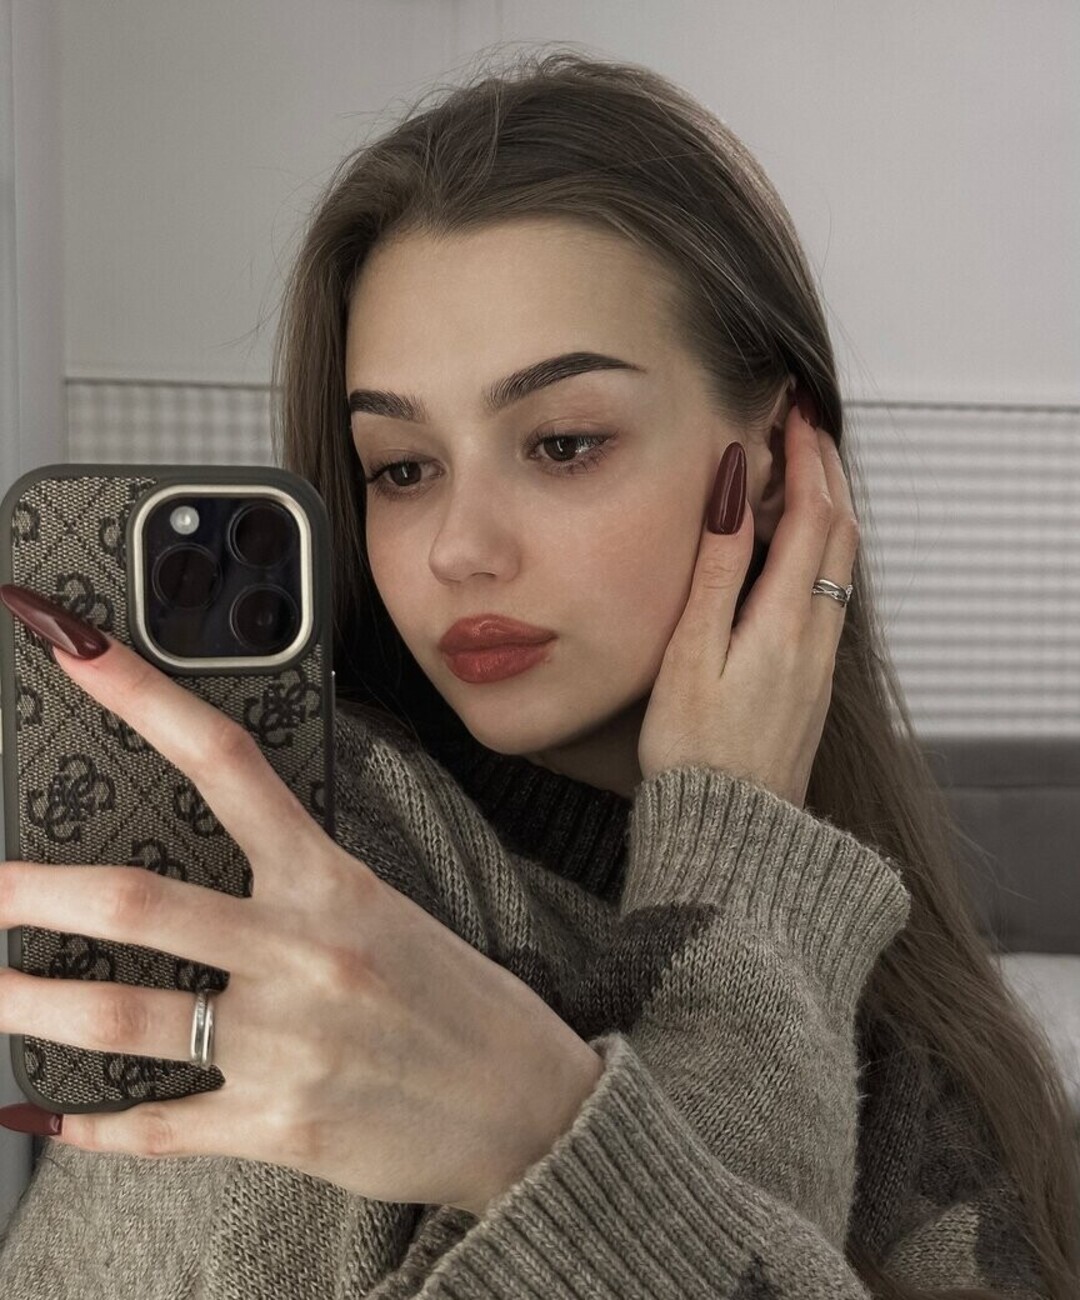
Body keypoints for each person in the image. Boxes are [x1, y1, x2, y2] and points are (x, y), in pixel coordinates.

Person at [1, 44, 1077, 1300]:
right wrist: (739, 884)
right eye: (402, 467)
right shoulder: (322, 879)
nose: (459, 547)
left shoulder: (913, 1037)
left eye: (563, 443)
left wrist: (539, 1124)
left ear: (779, 466)